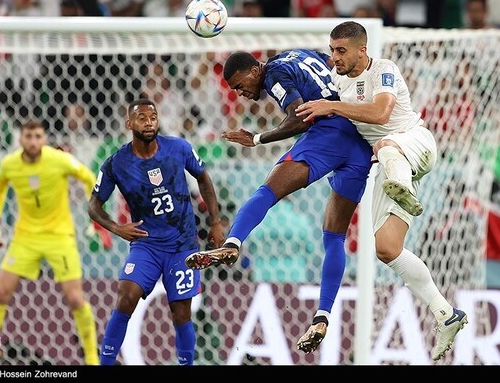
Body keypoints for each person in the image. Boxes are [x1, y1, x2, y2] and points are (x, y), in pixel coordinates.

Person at [295, 20, 468, 361]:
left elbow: (381, 111)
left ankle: (402, 186)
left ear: (363, 49)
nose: (335, 57)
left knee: (386, 144)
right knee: (387, 249)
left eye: (341, 50)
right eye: (331, 50)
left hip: (416, 143)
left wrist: (332, 106)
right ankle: (446, 313)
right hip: (391, 167)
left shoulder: (383, 69)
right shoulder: (335, 83)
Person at [184, 49, 374, 354]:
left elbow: (300, 118)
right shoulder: (297, 54)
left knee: (266, 192)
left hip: (328, 135)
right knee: (333, 235)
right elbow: (327, 63)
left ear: (253, 70)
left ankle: (232, 243)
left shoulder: (273, 74)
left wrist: (258, 138)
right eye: (234, 90)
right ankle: (322, 316)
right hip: (359, 142)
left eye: (239, 84)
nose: (241, 93)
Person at [89, 98, 224, 366]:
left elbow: (203, 178)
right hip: (146, 245)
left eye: (153, 117)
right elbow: (93, 205)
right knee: (126, 297)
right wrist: (116, 227)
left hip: (182, 245)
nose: (149, 122)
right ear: (129, 124)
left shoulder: (179, 148)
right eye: (141, 117)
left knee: (181, 313)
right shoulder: (117, 163)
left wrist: (216, 222)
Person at [0, 119, 107, 365]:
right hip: (25, 237)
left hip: (59, 236)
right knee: (1, 292)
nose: (33, 142)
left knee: (75, 298)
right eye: (29, 136)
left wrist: (97, 218)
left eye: (38, 136)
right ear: (21, 139)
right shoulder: (10, 165)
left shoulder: (58, 160)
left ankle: (92, 359)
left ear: (45, 138)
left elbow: (89, 176)